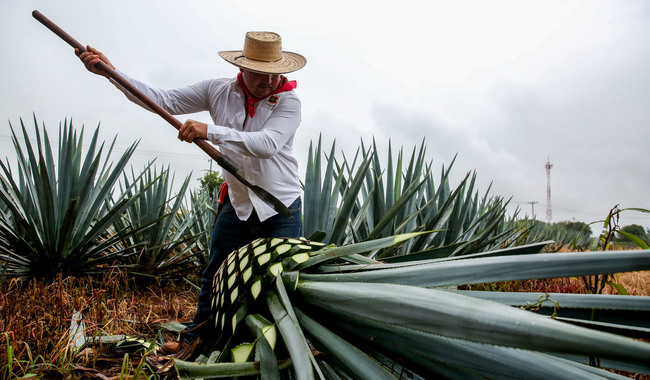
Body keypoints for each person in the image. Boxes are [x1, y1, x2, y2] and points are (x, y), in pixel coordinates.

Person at [77, 31, 306, 349]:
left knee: (275, 279)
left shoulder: (289, 102)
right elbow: (163, 100)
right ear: (242, 67)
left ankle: (273, 348)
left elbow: (267, 145)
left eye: (273, 73)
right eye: (258, 72)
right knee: (215, 274)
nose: (267, 80)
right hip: (238, 203)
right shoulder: (217, 90)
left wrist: (210, 131)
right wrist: (111, 73)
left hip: (280, 205)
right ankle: (197, 341)